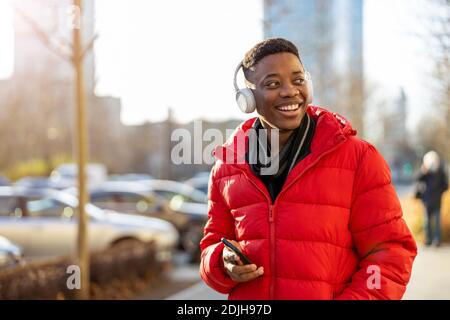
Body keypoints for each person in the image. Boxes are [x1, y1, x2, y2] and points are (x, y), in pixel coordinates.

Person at [199, 38, 417, 300]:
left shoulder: (358, 158)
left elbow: (391, 253)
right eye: (272, 83)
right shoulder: (226, 168)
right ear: (247, 99)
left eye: (298, 80)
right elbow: (211, 248)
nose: (290, 91)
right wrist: (222, 262)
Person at [415, 151, 448, 247]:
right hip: (427, 201)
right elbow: (417, 179)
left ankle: (437, 240)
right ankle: (428, 240)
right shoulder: (426, 172)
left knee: (437, 222)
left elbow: (445, 185)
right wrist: (423, 171)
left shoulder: (440, 171)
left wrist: (440, 192)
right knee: (427, 222)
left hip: (437, 201)